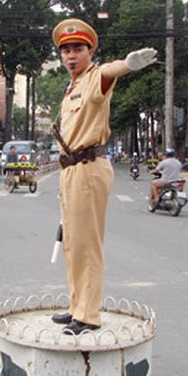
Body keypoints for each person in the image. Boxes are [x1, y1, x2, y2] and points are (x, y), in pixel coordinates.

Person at [49, 18, 157, 335]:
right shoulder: (72, 87)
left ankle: (88, 315)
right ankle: (76, 306)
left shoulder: (95, 77)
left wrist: (128, 65)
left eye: (78, 49)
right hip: (70, 169)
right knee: (72, 243)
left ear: (90, 52)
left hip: (88, 167)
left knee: (87, 244)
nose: (71, 55)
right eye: (66, 50)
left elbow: (110, 71)